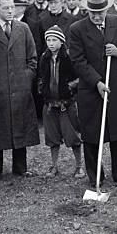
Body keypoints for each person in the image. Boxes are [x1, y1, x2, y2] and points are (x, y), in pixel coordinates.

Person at [68, 0, 117, 187]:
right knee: (92, 133)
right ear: (87, 11)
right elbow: (78, 61)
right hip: (91, 89)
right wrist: (97, 82)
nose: (97, 16)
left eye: (100, 12)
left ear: (107, 10)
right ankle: (96, 175)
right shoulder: (77, 29)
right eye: (93, 13)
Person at [0, 0, 39, 180]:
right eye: (6, 8)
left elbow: (32, 58)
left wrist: (26, 77)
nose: (11, 11)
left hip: (20, 87)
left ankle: (20, 167)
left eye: (13, 7)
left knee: (20, 125)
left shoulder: (23, 28)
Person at [38, 25, 84, 178]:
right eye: (48, 40)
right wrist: (42, 88)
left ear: (62, 42)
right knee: (52, 137)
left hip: (67, 104)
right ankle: (54, 165)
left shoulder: (69, 57)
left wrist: (69, 87)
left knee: (73, 137)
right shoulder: (44, 58)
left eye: (54, 40)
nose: (51, 43)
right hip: (50, 104)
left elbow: (79, 77)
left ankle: (78, 166)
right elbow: (40, 77)